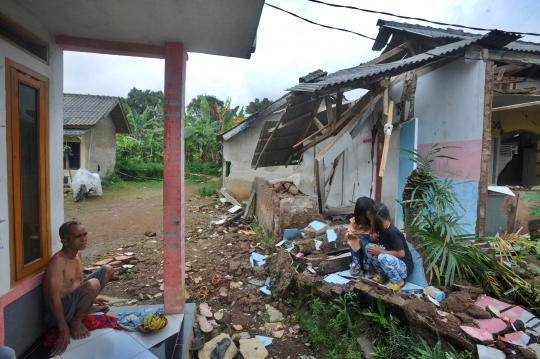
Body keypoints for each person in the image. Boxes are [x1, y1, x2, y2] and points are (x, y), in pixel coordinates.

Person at [42, 220, 115, 357]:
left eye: (85, 234)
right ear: (65, 241)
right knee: (93, 284)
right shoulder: (58, 262)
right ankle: (75, 320)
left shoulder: (77, 254)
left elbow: (75, 281)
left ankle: (83, 308)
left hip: (72, 302)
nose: (84, 239)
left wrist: (89, 296)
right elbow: (53, 297)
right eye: (78, 236)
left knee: (108, 269)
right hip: (57, 313)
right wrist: (63, 328)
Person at [364, 203, 413, 291]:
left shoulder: (393, 232)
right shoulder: (382, 230)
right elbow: (385, 248)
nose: (370, 223)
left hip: (403, 267)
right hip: (390, 261)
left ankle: (399, 282)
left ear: (377, 220)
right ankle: (383, 274)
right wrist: (377, 248)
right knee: (369, 248)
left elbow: (401, 253)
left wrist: (379, 251)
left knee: (383, 257)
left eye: (371, 220)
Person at [345, 197, 376, 277]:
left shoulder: (374, 223)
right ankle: (356, 264)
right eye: (362, 215)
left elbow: (378, 235)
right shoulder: (354, 222)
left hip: (369, 250)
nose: (364, 218)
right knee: (353, 240)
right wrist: (350, 234)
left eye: (367, 216)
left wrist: (374, 236)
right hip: (357, 250)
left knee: (365, 242)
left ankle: (369, 266)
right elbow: (348, 232)